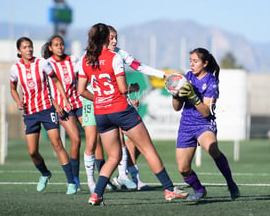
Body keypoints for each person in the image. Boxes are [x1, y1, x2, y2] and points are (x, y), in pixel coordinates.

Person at [78, 23, 188, 205]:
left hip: (101, 113)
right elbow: (122, 88)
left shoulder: (85, 59)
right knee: (147, 149)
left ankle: (96, 194)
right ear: (106, 38)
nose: (114, 40)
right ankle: (169, 190)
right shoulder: (114, 57)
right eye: (111, 37)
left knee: (113, 157)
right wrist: (134, 88)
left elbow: (81, 90)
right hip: (121, 110)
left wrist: (99, 99)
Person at [9, 36, 77, 195]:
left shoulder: (42, 63)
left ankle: (71, 182)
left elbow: (56, 81)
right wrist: (18, 101)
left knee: (57, 144)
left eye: (30, 46)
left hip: (47, 109)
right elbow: (12, 88)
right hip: (30, 113)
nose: (29, 49)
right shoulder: (15, 69)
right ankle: (45, 174)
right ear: (19, 51)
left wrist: (64, 101)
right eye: (25, 47)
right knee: (32, 152)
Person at [171, 47, 240, 201]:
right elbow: (176, 108)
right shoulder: (186, 78)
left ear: (205, 63)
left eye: (195, 61)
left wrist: (192, 95)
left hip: (203, 124)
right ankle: (200, 190)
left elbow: (206, 112)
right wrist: (175, 94)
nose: (192, 64)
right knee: (183, 169)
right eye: (190, 61)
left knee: (212, 149)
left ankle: (231, 183)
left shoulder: (211, 82)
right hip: (186, 125)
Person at [107, 25, 168, 191]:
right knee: (100, 146)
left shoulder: (120, 53)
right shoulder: (93, 56)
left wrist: (162, 74)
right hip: (103, 106)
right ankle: (97, 184)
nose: (114, 40)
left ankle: (128, 178)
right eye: (110, 37)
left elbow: (139, 67)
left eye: (115, 37)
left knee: (134, 143)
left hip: (120, 103)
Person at [41, 35, 83, 190]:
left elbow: (83, 77)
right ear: (50, 48)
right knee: (76, 139)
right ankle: (74, 178)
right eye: (56, 45)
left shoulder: (73, 60)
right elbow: (43, 87)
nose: (60, 47)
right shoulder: (46, 64)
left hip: (78, 102)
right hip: (62, 107)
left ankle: (104, 177)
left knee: (95, 138)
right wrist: (54, 103)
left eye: (62, 44)